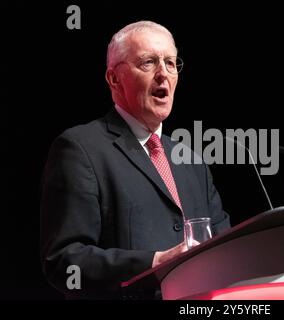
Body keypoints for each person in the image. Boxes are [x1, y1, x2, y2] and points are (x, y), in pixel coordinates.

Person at [40, 21, 230, 299]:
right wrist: (154, 264)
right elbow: (64, 260)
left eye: (170, 63)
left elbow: (224, 246)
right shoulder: (80, 149)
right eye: (148, 63)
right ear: (114, 79)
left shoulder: (192, 161)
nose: (163, 74)